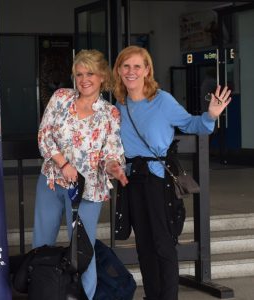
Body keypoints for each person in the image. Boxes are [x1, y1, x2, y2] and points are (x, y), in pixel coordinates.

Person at [112, 45, 231, 300]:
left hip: (158, 178)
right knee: (144, 245)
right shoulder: (118, 105)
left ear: (147, 70)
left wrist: (211, 115)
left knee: (163, 244)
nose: (131, 71)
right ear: (119, 70)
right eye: (126, 66)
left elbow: (191, 123)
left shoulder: (162, 100)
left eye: (137, 66)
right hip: (132, 179)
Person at [32, 49, 128, 299]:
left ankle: (85, 295)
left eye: (90, 74)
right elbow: (44, 135)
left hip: (89, 189)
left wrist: (114, 167)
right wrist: (64, 164)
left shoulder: (110, 113)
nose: (84, 79)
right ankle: (43, 292)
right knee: (42, 244)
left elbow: (111, 152)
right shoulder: (61, 97)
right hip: (52, 181)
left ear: (102, 77)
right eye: (79, 74)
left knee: (84, 249)